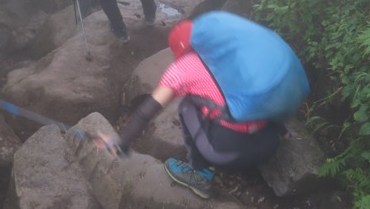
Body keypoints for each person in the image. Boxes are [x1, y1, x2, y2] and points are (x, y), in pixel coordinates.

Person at [96, 14, 308, 199]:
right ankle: (283, 133)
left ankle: (199, 175)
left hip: (229, 153)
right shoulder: (233, 56)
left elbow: (145, 112)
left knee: (187, 105)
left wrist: (121, 145)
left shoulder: (182, 69)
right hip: (270, 142)